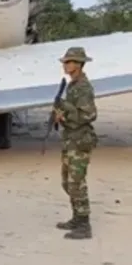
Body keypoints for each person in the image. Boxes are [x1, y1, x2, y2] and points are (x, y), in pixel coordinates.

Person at [53, 47, 98, 239]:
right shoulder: (72, 85)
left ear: (78, 64)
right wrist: (60, 116)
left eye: (68, 62)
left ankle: (84, 225)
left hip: (79, 141)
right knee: (67, 182)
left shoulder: (83, 88)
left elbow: (89, 115)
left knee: (76, 183)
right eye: (64, 62)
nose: (65, 65)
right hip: (71, 139)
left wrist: (67, 111)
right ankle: (76, 218)